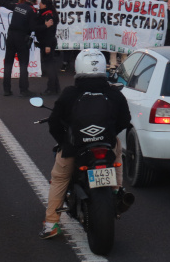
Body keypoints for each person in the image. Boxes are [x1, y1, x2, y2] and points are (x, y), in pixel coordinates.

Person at [41, 49, 133, 239]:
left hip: (75, 148)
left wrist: (64, 142)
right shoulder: (114, 93)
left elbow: (54, 123)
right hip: (106, 146)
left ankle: (51, 224)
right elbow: (125, 120)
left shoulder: (70, 94)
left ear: (78, 67)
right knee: (117, 153)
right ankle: (116, 191)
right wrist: (107, 135)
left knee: (59, 178)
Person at [3, 0, 40, 97]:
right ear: (35, 1)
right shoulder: (32, 10)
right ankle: (23, 89)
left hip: (11, 36)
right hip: (22, 37)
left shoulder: (18, 6)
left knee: (8, 63)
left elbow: (7, 5)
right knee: (23, 64)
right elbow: (33, 27)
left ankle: (6, 89)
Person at [37, 0, 60, 95]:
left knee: (49, 66)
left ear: (45, 5)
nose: (39, 4)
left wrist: (47, 45)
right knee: (51, 65)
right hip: (47, 42)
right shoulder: (47, 13)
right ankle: (55, 87)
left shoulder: (48, 15)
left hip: (47, 42)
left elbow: (50, 32)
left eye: (41, 3)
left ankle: (51, 88)